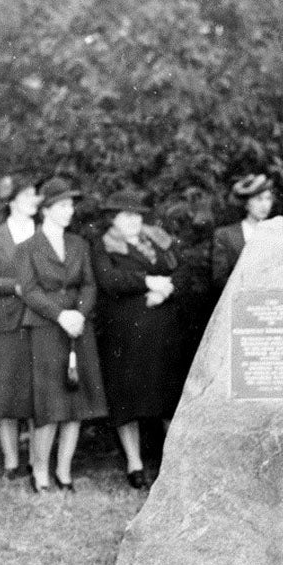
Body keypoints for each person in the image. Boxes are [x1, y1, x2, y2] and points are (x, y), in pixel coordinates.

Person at [15, 177, 107, 492]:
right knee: (49, 405)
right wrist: (60, 314)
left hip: (78, 330)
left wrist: (79, 313)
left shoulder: (80, 245)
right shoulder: (27, 248)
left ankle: (64, 472)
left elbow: (89, 284)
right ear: (48, 209)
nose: (70, 211)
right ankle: (40, 472)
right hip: (46, 330)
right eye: (64, 205)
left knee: (77, 403)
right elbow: (28, 290)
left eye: (71, 205)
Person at [90, 189, 184, 491]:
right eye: (125, 215)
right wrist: (147, 281)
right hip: (125, 336)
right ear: (113, 220)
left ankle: (173, 463)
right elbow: (108, 280)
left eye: (136, 215)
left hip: (163, 333)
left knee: (166, 397)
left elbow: (182, 269)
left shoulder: (157, 238)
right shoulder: (103, 246)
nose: (133, 220)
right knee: (128, 398)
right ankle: (135, 463)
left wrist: (166, 289)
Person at [0, 174, 38, 481]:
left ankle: (36, 461)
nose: (36, 201)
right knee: (4, 393)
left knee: (36, 391)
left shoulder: (44, 233)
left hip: (38, 321)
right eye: (29, 195)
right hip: (2, 324)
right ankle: (11, 461)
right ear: (12, 200)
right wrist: (17, 287)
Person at [211, 174, 274, 290]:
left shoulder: (277, 235)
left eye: (268, 198)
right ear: (246, 204)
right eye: (258, 199)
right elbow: (219, 279)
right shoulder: (225, 235)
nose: (264, 205)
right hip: (239, 302)